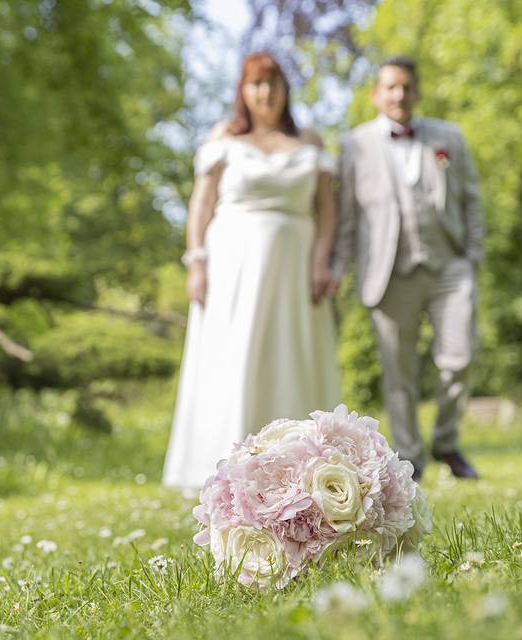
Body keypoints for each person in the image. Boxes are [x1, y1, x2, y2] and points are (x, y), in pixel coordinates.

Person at [163, 52, 341, 489]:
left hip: (294, 267)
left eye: (273, 83)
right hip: (232, 265)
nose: (265, 93)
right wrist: (196, 262)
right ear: (243, 91)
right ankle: (223, 464)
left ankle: (299, 465)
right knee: (233, 354)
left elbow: (326, 210)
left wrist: (321, 261)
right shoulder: (224, 137)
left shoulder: (310, 142)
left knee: (290, 353)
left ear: (285, 89)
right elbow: (201, 204)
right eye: (256, 84)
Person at [333, 55, 485, 481]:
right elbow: (346, 217)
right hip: (388, 271)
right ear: (375, 95)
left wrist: (473, 255)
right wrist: (338, 269)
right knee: (398, 370)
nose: (399, 94)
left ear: (416, 92)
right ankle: (410, 457)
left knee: (461, 355)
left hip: (449, 264)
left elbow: (471, 198)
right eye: (390, 87)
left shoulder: (448, 137)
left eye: (406, 87)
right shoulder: (354, 145)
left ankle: (447, 442)